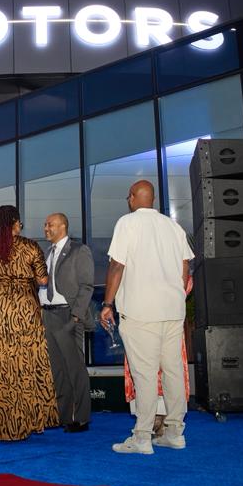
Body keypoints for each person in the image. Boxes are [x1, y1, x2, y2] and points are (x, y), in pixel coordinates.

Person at [101, 180, 194, 454]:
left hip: (141, 311)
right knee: (173, 372)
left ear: (132, 198)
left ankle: (142, 437)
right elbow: (185, 266)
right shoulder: (173, 226)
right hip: (173, 310)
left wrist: (107, 303)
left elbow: (117, 265)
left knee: (144, 374)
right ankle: (175, 432)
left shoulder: (127, 223)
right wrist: (177, 295)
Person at [0, 205, 58, 442]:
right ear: (15, 223)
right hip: (24, 308)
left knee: (0, 365)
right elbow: (43, 279)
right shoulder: (30, 246)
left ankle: (1, 424)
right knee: (25, 363)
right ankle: (26, 421)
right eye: (19, 222)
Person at [39, 212, 95, 433]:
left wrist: (75, 317)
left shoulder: (79, 250)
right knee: (58, 370)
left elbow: (86, 286)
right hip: (48, 315)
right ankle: (64, 416)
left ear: (63, 226)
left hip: (68, 315)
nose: (46, 228)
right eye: (45, 224)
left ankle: (80, 418)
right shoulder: (47, 253)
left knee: (75, 368)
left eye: (50, 224)